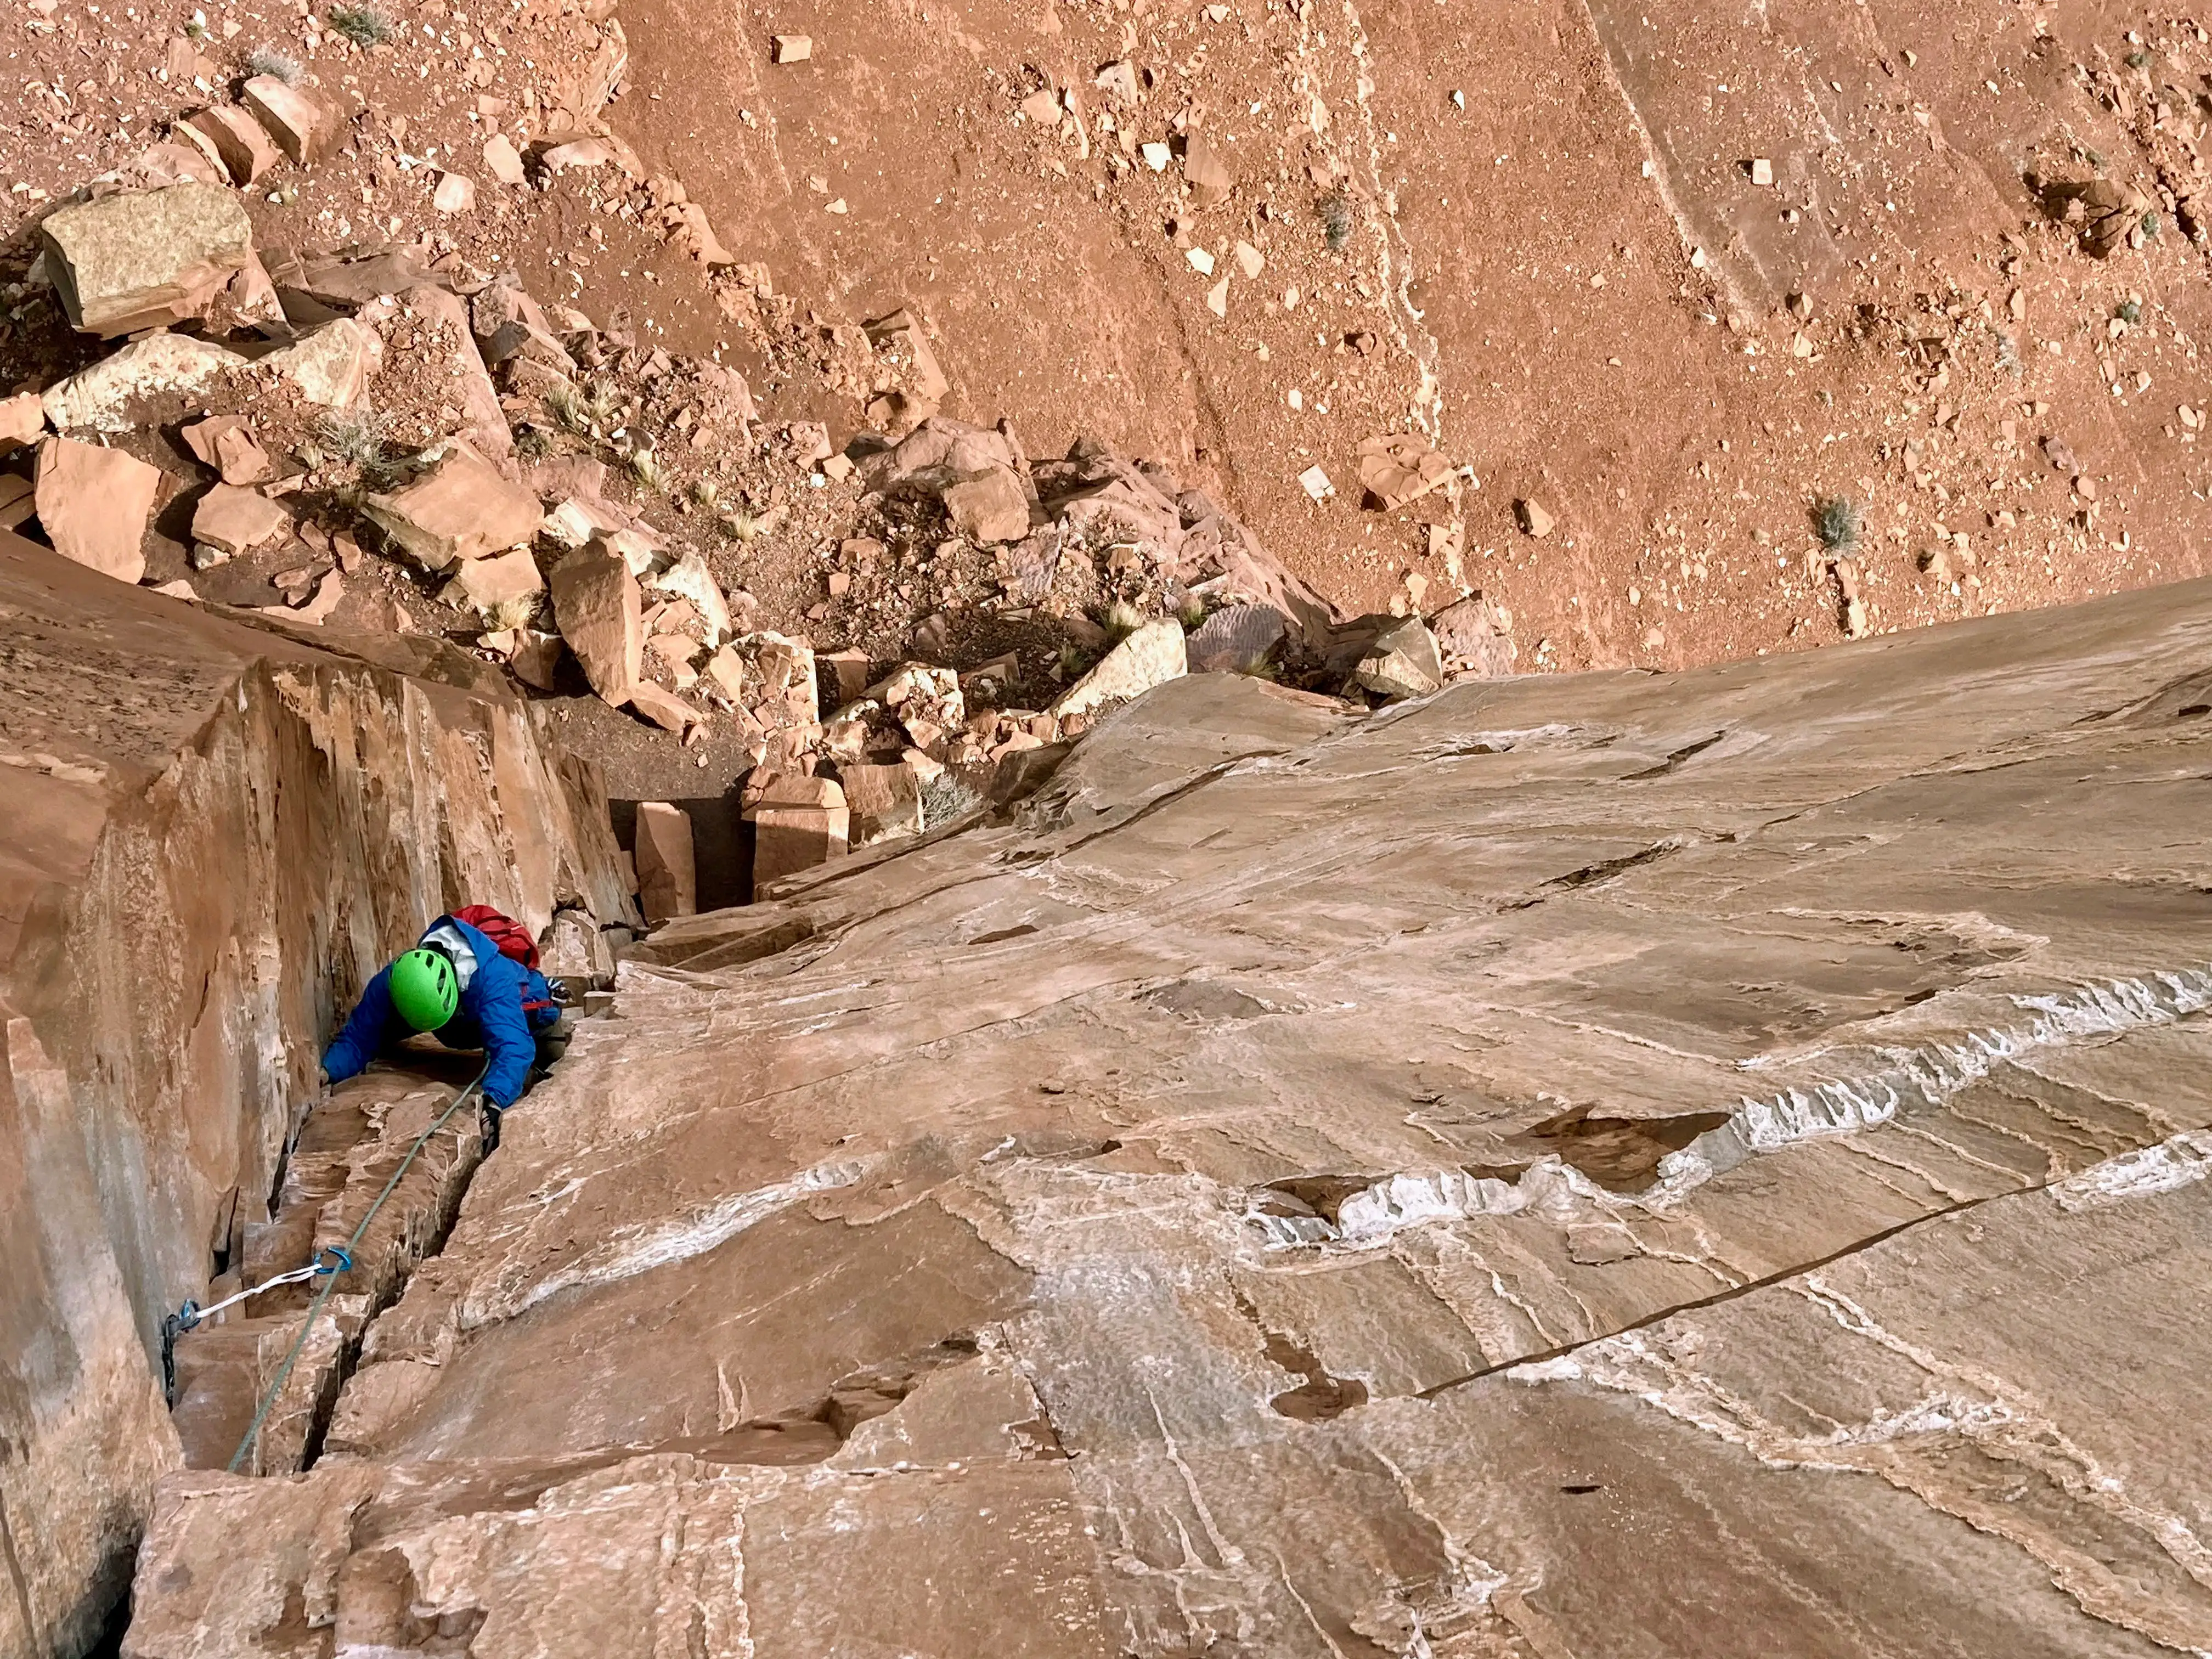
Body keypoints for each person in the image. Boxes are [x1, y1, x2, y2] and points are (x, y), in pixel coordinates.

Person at [321, 910, 562, 1147]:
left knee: (546, 1047)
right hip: (465, 1017)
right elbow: (359, 1036)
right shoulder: (398, 980)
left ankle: (549, 998)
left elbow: (514, 1046)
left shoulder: (495, 981)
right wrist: (328, 1071)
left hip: (526, 1006)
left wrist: (494, 1100)